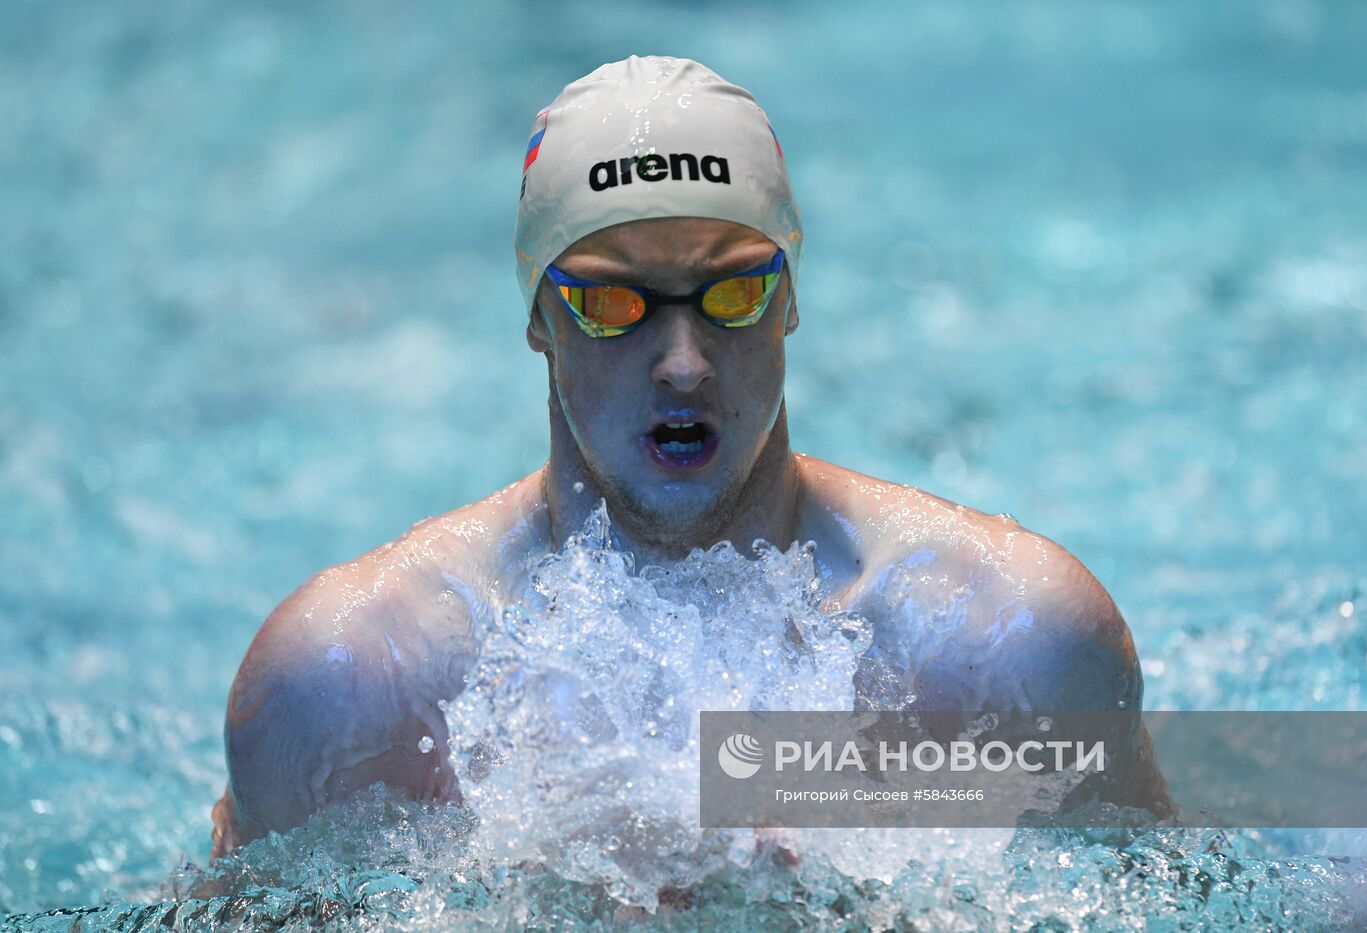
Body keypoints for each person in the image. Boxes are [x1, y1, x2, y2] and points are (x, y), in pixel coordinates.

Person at [211, 55, 1169, 858]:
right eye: (612, 303)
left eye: (733, 291)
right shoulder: (348, 683)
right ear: (539, 320)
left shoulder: (1011, 645)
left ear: (791, 298)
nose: (682, 362)